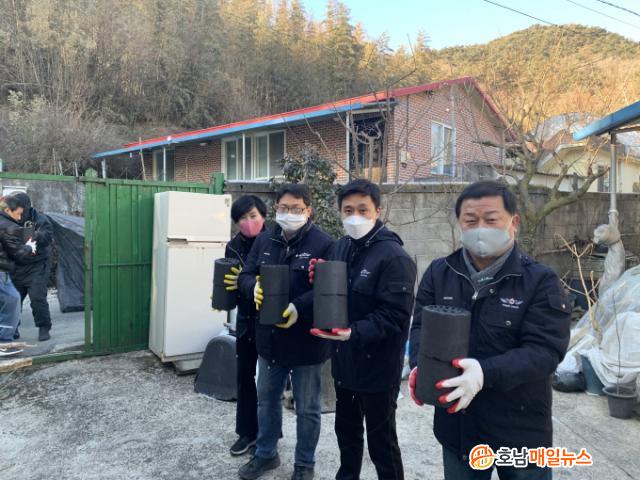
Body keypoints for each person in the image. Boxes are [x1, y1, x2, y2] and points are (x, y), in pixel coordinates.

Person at [408, 181, 572, 480]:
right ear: (459, 223)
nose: (480, 228)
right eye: (471, 220)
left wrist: (485, 373)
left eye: (491, 219)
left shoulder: (540, 280)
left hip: (520, 427)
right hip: (459, 426)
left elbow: (545, 351)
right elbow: (420, 327)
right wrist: (421, 366)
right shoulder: (440, 272)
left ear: (514, 222)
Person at [309, 179, 417, 480]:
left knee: (381, 441)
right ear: (340, 212)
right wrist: (319, 277)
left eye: (362, 209)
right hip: (345, 361)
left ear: (377, 211)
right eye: (348, 210)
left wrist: (354, 332)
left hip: (378, 367)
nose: (354, 217)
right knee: (346, 431)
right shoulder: (340, 247)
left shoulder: (394, 257)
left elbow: (396, 316)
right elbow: (334, 295)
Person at [237, 184, 334, 480]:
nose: (289, 213)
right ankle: (266, 453)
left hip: (307, 343)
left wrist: (298, 307)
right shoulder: (264, 240)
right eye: (283, 208)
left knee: (307, 408)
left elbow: (329, 289)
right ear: (276, 208)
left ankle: (304, 464)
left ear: (308, 210)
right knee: (267, 401)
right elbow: (246, 274)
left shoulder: (324, 244)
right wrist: (252, 286)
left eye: (296, 208)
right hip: (270, 339)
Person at [222, 195, 268, 457]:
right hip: (246, 320)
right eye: (242, 218)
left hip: (271, 320)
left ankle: (268, 435)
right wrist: (225, 292)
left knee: (269, 382)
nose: (249, 222)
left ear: (263, 216)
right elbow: (229, 283)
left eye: (253, 216)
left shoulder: (274, 241)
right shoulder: (233, 247)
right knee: (245, 377)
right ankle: (247, 433)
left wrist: (248, 280)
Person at [10, 192, 54, 341]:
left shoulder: (40, 219)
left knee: (37, 297)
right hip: (17, 265)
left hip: (37, 264)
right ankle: (12, 328)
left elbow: (47, 236)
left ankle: (44, 327)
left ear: (26, 207)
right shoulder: (9, 218)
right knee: (13, 299)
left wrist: (36, 236)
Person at [0, 196, 37, 344]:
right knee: (13, 301)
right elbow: (18, 253)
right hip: (1, 271)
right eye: (18, 213)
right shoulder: (8, 225)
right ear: (8, 210)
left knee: (8, 302)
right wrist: (29, 247)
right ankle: (4, 341)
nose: (20, 218)